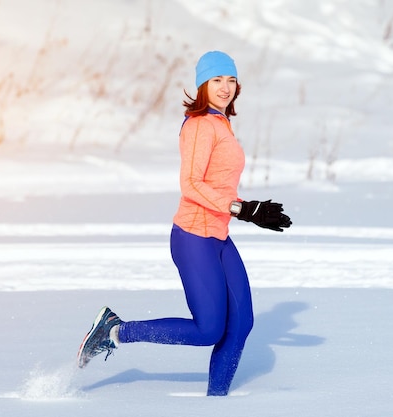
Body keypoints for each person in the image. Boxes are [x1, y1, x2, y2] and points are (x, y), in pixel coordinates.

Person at [76, 51, 292, 396]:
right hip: (193, 237)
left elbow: (217, 184)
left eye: (231, 80)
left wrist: (249, 211)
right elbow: (191, 184)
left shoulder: (221, 123)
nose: (225, 87)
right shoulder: (199, 125)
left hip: (218, 235)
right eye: (217, 80)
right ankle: (116, 330)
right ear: (202, 85)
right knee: (208, 330)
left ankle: (215, 402)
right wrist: (242, 209)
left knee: (240, 325)